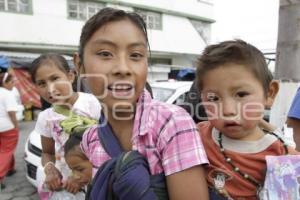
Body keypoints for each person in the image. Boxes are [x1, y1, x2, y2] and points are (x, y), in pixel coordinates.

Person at [73, 7, 209, 200]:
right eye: (105, 53)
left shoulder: (171, 124)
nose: (123, 68)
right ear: (79, 65)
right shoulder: (91, 139)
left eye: (135, 55)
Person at [195, 39, 298, 199]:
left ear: (270, 93)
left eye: (241, 95)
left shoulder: (284, 157)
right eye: (213, 98)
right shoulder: (195, 136)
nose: (228, 111)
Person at [30, 53, 101, 199]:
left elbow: (110, 147)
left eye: (55, 78)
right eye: (42, 83)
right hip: (67, 186)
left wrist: (82, 175)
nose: (50, 89)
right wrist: (50, 169)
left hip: (97, 180)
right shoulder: (46, 118)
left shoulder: (94, 104)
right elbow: (47, 153)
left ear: (70, 76)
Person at [0, 72, 19, 190]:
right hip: (7, 127)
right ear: (5, 83)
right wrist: (16, 125)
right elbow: (11, 112)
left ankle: (10, 169)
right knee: (6, 151)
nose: (14, 84)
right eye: (12, 82)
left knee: (4, 149)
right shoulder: (8, 94)